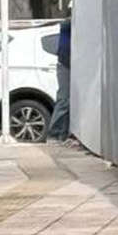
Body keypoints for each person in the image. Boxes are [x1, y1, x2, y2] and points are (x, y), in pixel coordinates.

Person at [46, 10, 71, 142]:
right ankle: (54, 133)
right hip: (66, 65)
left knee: (67, 100)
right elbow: (66, 51)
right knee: (64, 100)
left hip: (67, 65)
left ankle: (62, 133)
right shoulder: (68, 25)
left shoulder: (69, 25)